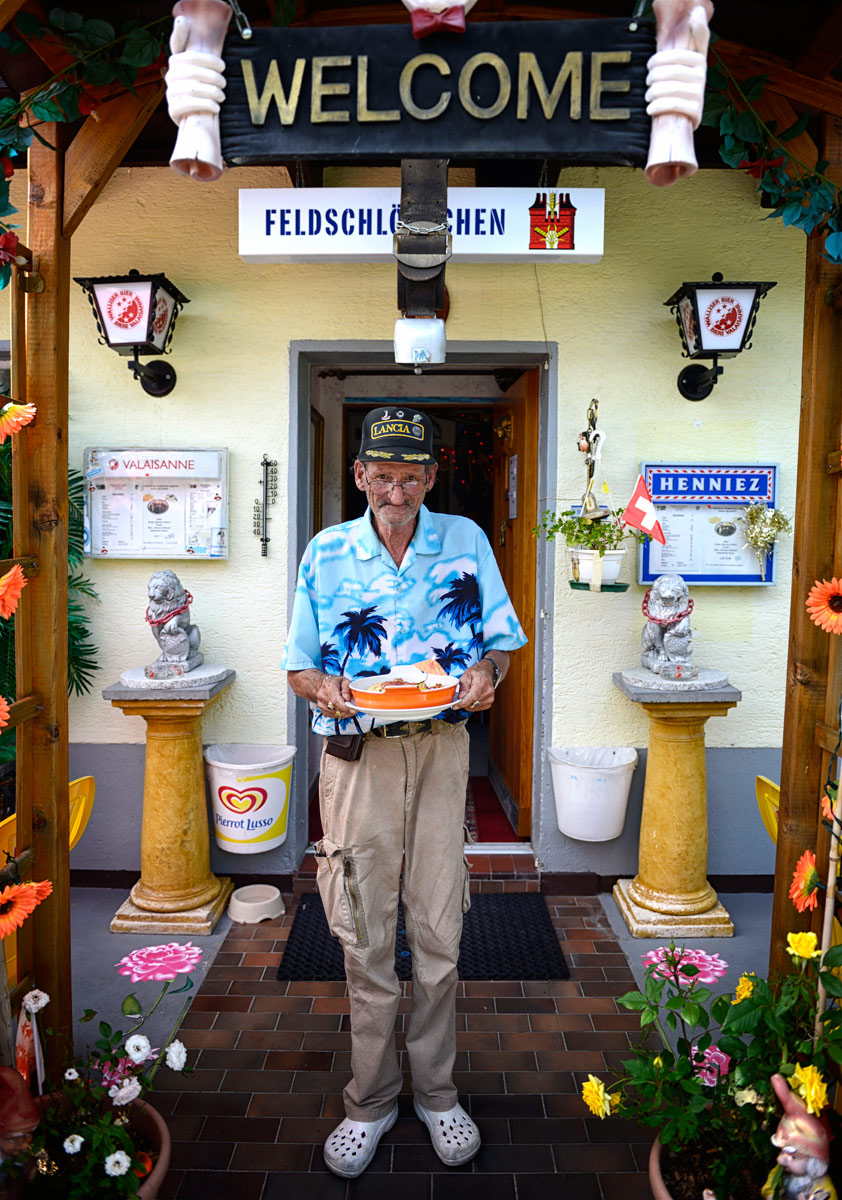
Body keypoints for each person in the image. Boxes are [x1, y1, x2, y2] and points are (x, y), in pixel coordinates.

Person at [282, 406, 526, 1179]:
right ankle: (370, 1098)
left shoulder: (467, 540)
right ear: (360, 475)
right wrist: (323, 686)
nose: (397, 489)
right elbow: (297, 664)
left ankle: (438, 1091)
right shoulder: (327, 552)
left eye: (411, 475)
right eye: (382, 475)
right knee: (362, 926)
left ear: (430, 476)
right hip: (359, 760)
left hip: (443, 748)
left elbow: (500, 645)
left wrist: (489, 676)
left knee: (440, 926)